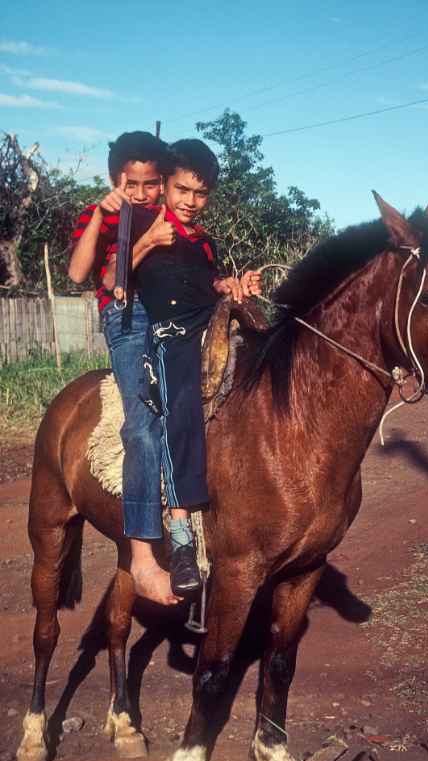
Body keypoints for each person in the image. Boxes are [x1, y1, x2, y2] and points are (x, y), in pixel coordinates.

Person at [133, 138, 261, 594]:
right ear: (165, 185)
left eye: (200, 193)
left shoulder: (205, 242)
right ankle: (181, 533)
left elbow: (209, 283)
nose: (190, 201)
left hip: (209, 322)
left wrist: (232, 285)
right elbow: (113, 276)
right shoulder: (143, 225)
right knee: (182, 404)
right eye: (182, 190)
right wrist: (147, 241)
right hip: (170, 335)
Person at [68, 131, 180, 606]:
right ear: (116, 178)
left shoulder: (173, 214)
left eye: (150, 183)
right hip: (127, 318)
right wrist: (100, 216)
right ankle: (142, 556)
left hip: (174, 316)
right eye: (130, 183)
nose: (140, 193)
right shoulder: (104, 216)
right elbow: (80, 274)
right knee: (141, 424)